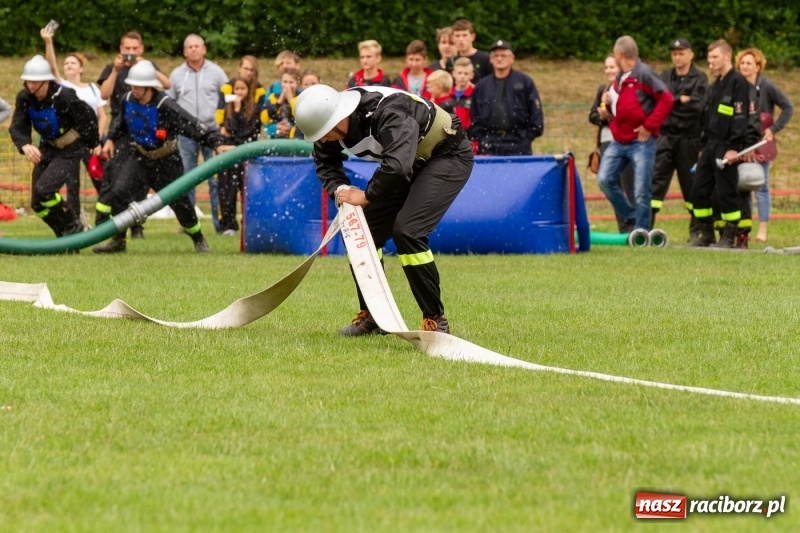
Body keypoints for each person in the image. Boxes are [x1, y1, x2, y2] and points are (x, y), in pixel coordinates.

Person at [294, 84, 473, 335]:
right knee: (361, 230)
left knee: (408, 231)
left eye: (323, 134)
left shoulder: (387, 113)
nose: (322, 140)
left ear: (338, 118)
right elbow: (326, 162)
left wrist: (367, 196)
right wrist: (340, 191)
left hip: (446, 155)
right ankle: (374, 316)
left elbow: (398, 167)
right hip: (407, 162)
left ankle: (435, 320)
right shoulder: (328, 124)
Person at [91, 61, 232, 254]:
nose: (134, 89)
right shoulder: (127, 99)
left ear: (149, 85)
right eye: (132, 84)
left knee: (180, 202)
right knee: (119, 192)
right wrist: (111, 139)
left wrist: (215, 142)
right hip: (139, 156)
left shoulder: (165, 105)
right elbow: (120, 122)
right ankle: (119, 240)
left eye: (138, 86)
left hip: (166, 161)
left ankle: (198, 237)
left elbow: (192, 125)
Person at [9, 55, 99, 239]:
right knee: (37, 203)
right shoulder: (25, 98)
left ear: (47, 81)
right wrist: (25, 144)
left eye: (36, 82)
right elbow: (18, 125)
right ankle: (63, 234)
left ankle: (73, 224)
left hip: (70, 150)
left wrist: (92, 144)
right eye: (28, 82)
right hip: (48, 148)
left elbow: (88, 116)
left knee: (45, 190)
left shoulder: (64, 96)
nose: (32, 86)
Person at [97, 30, 170, 239]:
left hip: (143, 128)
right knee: (117, 178)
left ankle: (137, 225)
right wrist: (115, 70)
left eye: (134, 49)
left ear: (141, 49)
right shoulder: (113, 68)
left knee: (141, 180)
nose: (130, 53)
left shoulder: (147, 67)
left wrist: (145, 66)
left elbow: (167, 84)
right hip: (119, 129)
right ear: (120, 49)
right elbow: (104, 94)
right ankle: (109, 225)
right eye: (127, 49)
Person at [596, 36, 674, 232]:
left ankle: (642, 230)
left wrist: (649, 126)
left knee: (641, 190)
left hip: (641, 141)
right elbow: (624, 106)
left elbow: (666, 99)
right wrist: (608, 111)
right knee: (604, 180)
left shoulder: (644, 74)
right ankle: (631, 216)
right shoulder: (620, 78)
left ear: (620, 54)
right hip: (619, 139)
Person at [689, 40, 752, 248]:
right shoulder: (714, 85)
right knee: (698, 190)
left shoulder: (738, 83)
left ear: (727, 57)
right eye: (709, 59)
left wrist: (734, 147)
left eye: (715, 58)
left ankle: (728, 236)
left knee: (726, 193)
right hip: (710, 146)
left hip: (727, 146)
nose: (711, 63)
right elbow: (707, 119)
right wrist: (702, 148)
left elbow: (741, 117)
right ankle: (706, 234)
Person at [40, 25, 108, 218]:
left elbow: (102, 115)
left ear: (81, 68)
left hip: (91, 142)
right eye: (66, 63)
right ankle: (75, 223)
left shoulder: (93, 89)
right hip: (70, 143)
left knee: (99, 179)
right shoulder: (63, 87)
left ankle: (105, 220)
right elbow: (51, 67)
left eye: (73, 63)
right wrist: (48, 42)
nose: (68, 65)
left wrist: (97, 141)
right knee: (72, 184)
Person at [167, 34, 228, 233]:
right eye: (189, 47)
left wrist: (224, 124)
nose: (193, 49)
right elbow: (170, 104)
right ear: (185, 51)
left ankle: (220, 224)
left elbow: (227, 99)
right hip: (187, 134)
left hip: (212, 131)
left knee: (214, 179)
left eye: (197, 46)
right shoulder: (176, 75)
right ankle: (189, 224)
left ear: (204, 49)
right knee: (187, 178)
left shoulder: (217, 72)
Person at [650, 38, 707, 238]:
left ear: (691, 54)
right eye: (674, 53)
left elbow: (697, 108)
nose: (677, 57)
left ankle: (696, 230)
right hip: (665, 137)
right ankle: (646, 227)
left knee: (692, 184)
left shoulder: (700, 78)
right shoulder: (665, 77)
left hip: (689, 139)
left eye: (681, 53)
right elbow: (658, 103)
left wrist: (671, 104)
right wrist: (679, 100)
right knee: (655, 181)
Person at [736, 47, 794, 243]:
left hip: (761, 146)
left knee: (761, 187)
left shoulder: (767, 87)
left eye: (749, 63)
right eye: (742, 63)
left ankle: (762, 229)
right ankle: (743, 228)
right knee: (741, 187)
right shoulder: (735, 85)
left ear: (758, 66)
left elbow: (788, 107)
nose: (744, 66)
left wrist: (774, 129)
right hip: (740, 145)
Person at [468, 40, 544, 156]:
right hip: (489, 145)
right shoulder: (482, 86)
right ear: (491, 59)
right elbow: (474, 115)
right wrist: (481, 137)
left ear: (512, 58)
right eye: (496, 56)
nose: (499, 59)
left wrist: (526, 137)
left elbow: (536, 114)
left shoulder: (524, 82)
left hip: (519, 144)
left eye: (503, 55)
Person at [589, 53, 635, 232]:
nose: (609, 70)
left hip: (626, 143)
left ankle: (634, 226)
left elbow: (631, 115)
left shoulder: (628, 88)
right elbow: (592, 115)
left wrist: (612, 116)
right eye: (606, 67)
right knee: (611, 185)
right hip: (606, 143)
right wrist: (603, 118)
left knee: (628, 185)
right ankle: (623, 227)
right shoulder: (603, 89)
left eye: (612, 67)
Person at [218, 77, 263, 235]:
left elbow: (244, 133)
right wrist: (235, 113)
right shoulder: (228, 109)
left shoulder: (254, 109)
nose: (239, 92)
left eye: (242, 89)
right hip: (231, 158)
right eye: (236, 89)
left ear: (248, 91)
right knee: (228, 191)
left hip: (247, 158)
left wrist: (233, 131)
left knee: (247, 192)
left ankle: (249, 224)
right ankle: (229, 225)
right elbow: (227, 130)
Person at [216, 55, 266, 132]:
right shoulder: (227, 88)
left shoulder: (259, 90)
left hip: (250, 130)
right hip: (229, 129)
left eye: (252, 70)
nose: (249, 73)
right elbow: (220, 112)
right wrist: (222, 127)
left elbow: (260, 116)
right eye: (246, 69)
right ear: (239, 68)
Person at [264, 68, 301, 139]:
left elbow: (300, 116)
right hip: (276, 136)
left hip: (295, 137)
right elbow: (265, 118)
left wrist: (291, 100)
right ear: (280, 83)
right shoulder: (273, 97)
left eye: (291, 82)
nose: (287, 86)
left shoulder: (300, 97)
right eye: (285, 82)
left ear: (297, 83)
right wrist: (279, 102)